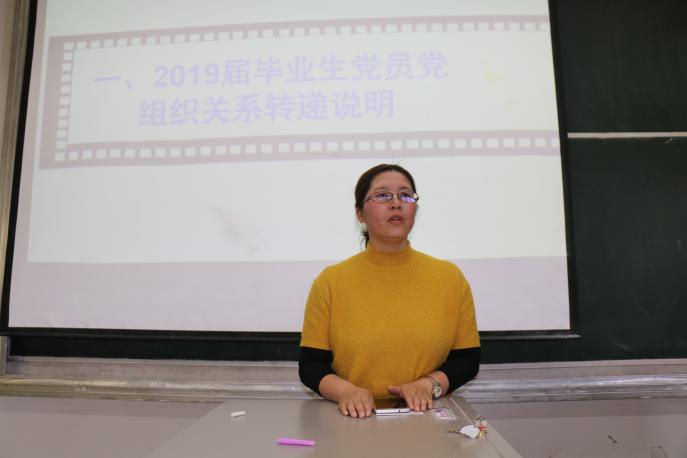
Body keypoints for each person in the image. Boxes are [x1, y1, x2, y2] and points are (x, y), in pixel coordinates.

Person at [298, 163, 480, 418]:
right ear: (360, 213)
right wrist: (346, 392)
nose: (396, 203)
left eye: (405, 195)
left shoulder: (450, 278)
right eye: (382, 195)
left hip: (426, 416)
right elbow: (311, 366)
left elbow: (467, 360)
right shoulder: (330, 281)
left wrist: (426, 386)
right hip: (353, 419)